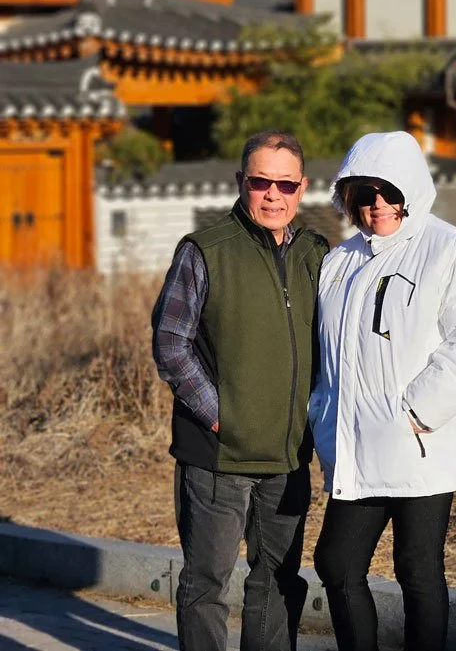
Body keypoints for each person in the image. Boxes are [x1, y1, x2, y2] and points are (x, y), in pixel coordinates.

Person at [310, 130, 456, 651]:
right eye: (364, 194)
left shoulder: (449, 248)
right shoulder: (340, 261)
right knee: (336, 562)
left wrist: (417, 411)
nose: (378, 206)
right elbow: (326, 357)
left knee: (416, 568)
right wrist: (320, 415)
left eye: (390, 193)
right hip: (356, 444)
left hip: (417, 443)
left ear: (413, 191)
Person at [151, 130, 328, 651]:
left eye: (285, 184)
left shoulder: (317, 254)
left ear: (302, 188)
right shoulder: (205, 250)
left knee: (276, 583)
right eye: (260, 182)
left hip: (288, 455)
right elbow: (171, 343)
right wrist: (220, 414)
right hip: (217, 458)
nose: (273, 195)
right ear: (240, 182)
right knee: (206, 585)